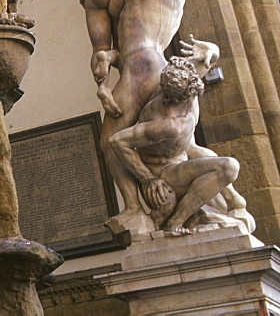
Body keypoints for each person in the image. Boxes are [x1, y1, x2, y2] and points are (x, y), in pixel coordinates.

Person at [80, 0, 212, 220]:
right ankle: (213, 201)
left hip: (139, 66)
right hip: (147, 60)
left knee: (113, 140)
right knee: (176, 143)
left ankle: (136, 208)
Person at [108, 44, 254, 234]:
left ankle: (206, 212)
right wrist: (148, 179)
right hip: (166, 172)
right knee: (229, 167)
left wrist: (210, 51)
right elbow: (117, 141)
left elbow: (208, 59)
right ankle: (175, 223)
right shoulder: (168, 124)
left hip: (184, 159)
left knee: (231, 208)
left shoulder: (184, 73)